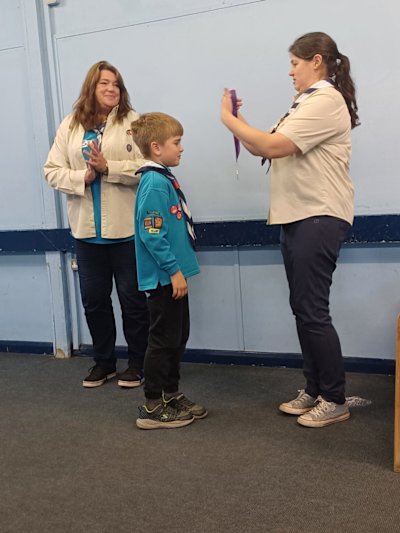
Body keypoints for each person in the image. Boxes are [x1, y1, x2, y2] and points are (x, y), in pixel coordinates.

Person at [220, 32, 359, 428]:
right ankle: (315, 388)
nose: (290, 71)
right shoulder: (304, 104)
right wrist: (240, 122)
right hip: (298, 216)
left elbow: (272, 147)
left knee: (313, 311)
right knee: (303, 309)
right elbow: (261, 143)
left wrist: (228, 119)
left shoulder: (326, 100)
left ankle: (334, 398)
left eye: (294, 63)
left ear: (316, 60)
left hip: (318, 215)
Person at [44, 60, 149, 389]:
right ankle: (104, 363)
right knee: (94, 300)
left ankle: (138, 363)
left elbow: (146, 166)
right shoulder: (71, 125)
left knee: (132, 300)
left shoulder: (134, 122)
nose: (111, 89)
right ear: (92, 87)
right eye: (104, 83)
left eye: (116, 84)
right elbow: (51, 170)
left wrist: (108, 168)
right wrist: (83, 176)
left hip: (126, 233)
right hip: (87, 234)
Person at [130, 112, 207, 430]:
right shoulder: (154, 184)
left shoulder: (164, 180)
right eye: (177, 143)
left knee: (178, 336)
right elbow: (151, 234)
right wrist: (174, 271)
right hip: (164, 277)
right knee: (162, 339)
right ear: (156, 147)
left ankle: (171, 394)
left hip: (174, 275)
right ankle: (150, 405)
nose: (182, 148)